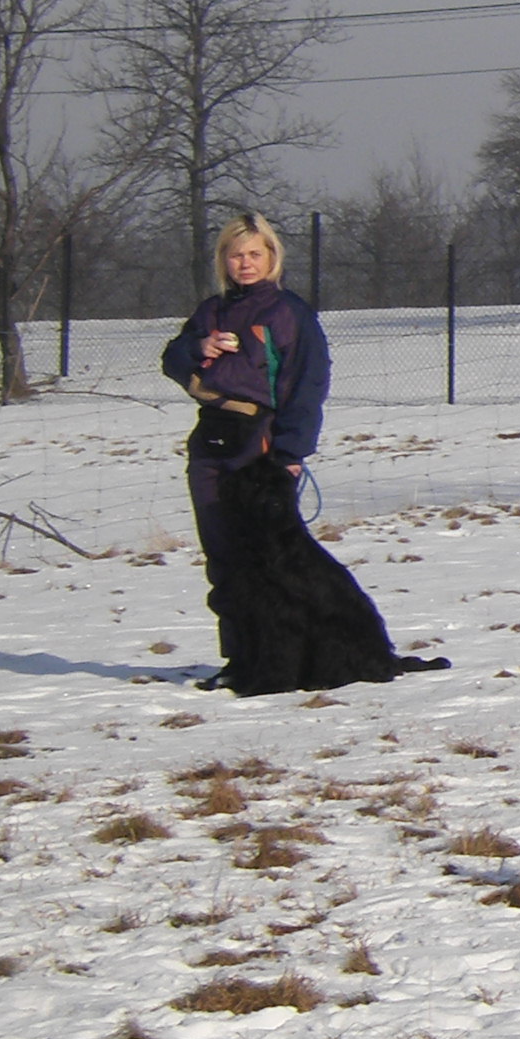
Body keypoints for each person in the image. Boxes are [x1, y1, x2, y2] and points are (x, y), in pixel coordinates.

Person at [161, 214, 331, 690]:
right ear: (224, 260)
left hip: (263, 447)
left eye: (255, 253)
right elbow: (172, 360)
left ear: (272, 257)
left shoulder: (289, 312)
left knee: (267, 559)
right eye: (237, 255)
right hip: (213, 442)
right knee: (222, 557)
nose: (246, 263)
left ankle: (281, 658)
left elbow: (308, 384)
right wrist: (200, 346)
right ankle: (237, 657)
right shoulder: (210, 312)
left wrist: (290, 452)